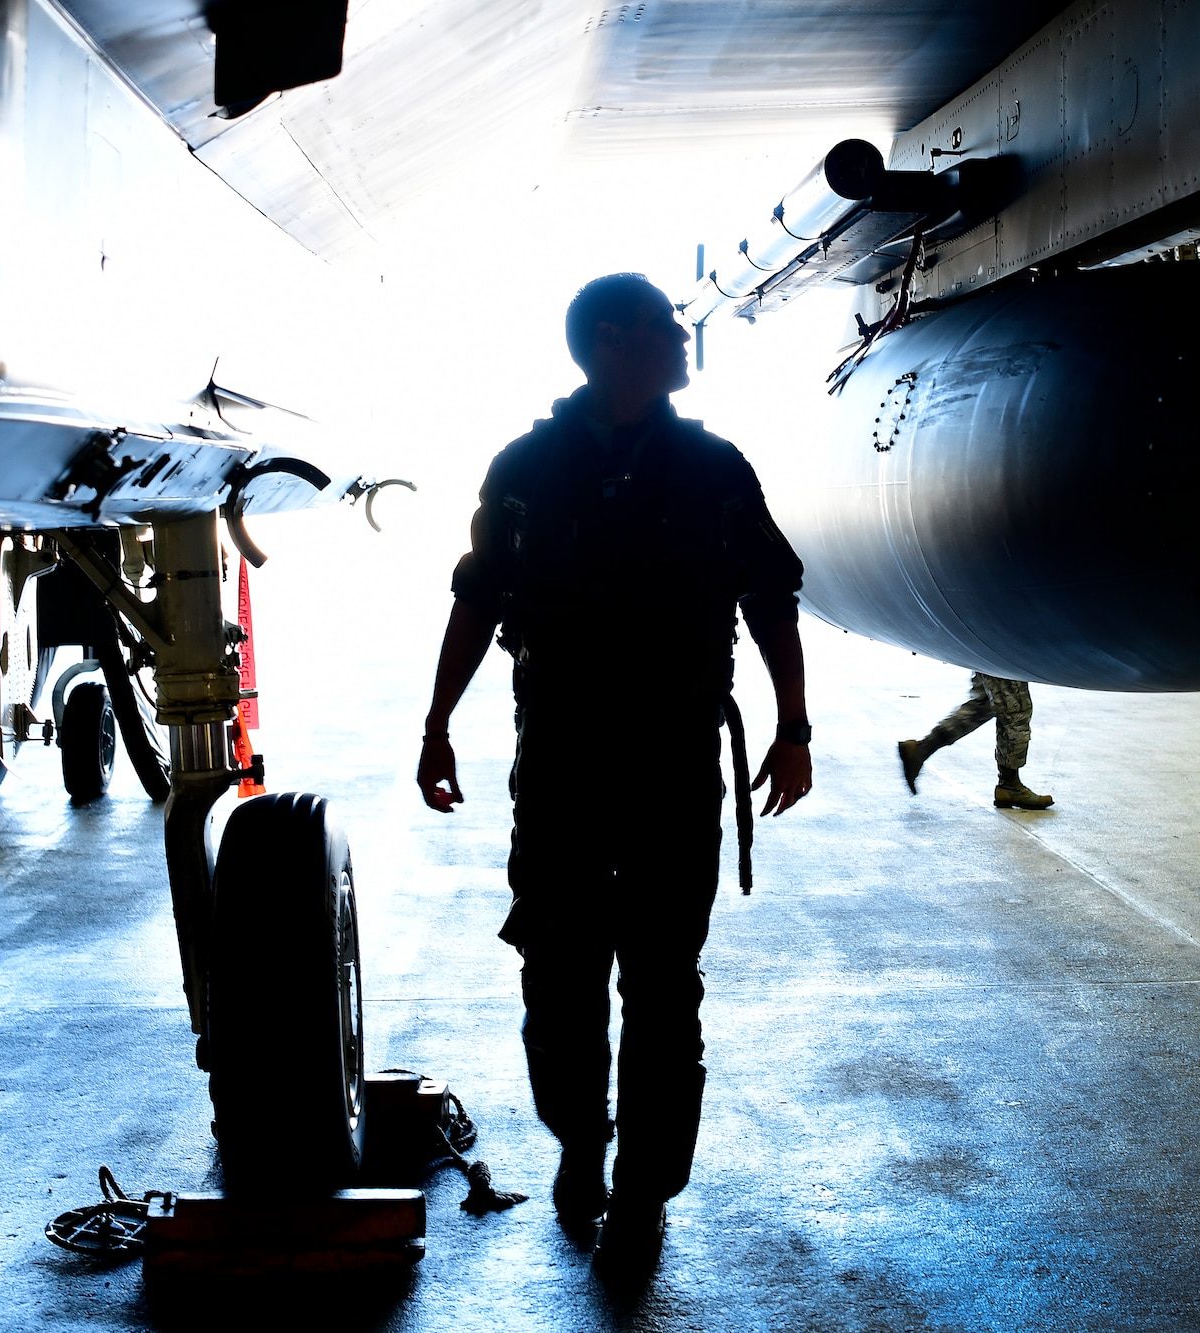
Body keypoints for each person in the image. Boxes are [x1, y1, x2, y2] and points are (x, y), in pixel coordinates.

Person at [415, 273, 812, 1272]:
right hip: (558, 763)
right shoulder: (525, 470)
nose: (681, 340)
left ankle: (642, 1186)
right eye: (664, 328)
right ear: (609, 342)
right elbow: (476, 598)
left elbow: (769, 598)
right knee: (557, 973)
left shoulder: (715, 469)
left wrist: (792, 723)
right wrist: (435, 723)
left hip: (675, 763)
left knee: (662, 984)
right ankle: (579, 1143)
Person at [899, 674, 1054, 809]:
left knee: (985, 703)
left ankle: (921, 750)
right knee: (1015, 707)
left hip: (991, 646)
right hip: (1000, 647)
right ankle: (1009, 784)